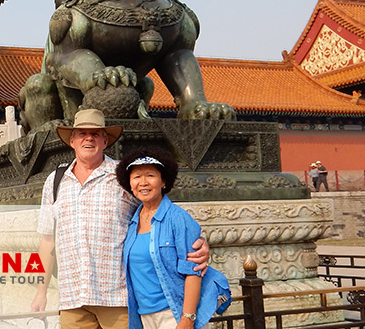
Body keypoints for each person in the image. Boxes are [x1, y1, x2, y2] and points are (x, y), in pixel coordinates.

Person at [33, 109, 210, 329]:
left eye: (96, 134)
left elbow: (158, 212)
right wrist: (40, 291)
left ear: (105, 141)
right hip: (73, 297)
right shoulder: (55, 181)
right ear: (72, 141)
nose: (89, 138)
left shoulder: (124, 176)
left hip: (117, 297)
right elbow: (48, 240)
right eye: (82, 133)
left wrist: (199, 242)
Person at [117, 148, 232, 329]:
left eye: (150, 175)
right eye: (137, 177)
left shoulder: (178, 219)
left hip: (173, 314)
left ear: (163, 181)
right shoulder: (131, 222)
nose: (143, 182)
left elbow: (193, 270)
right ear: (130, 184)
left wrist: (187, 318)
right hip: (143, 317)